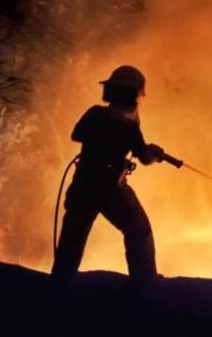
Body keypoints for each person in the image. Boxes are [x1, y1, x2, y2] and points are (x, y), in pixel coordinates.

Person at [51, 65, 167, 283]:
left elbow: (77, 134)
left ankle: (60, 283)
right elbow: (143, 157)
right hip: (111, 190)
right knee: (138, 229)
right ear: (133, 95)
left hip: (83, 186)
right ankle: (145, 282)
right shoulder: (128, 127)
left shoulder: (95, 114)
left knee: (72, 239)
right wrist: (154, 154)